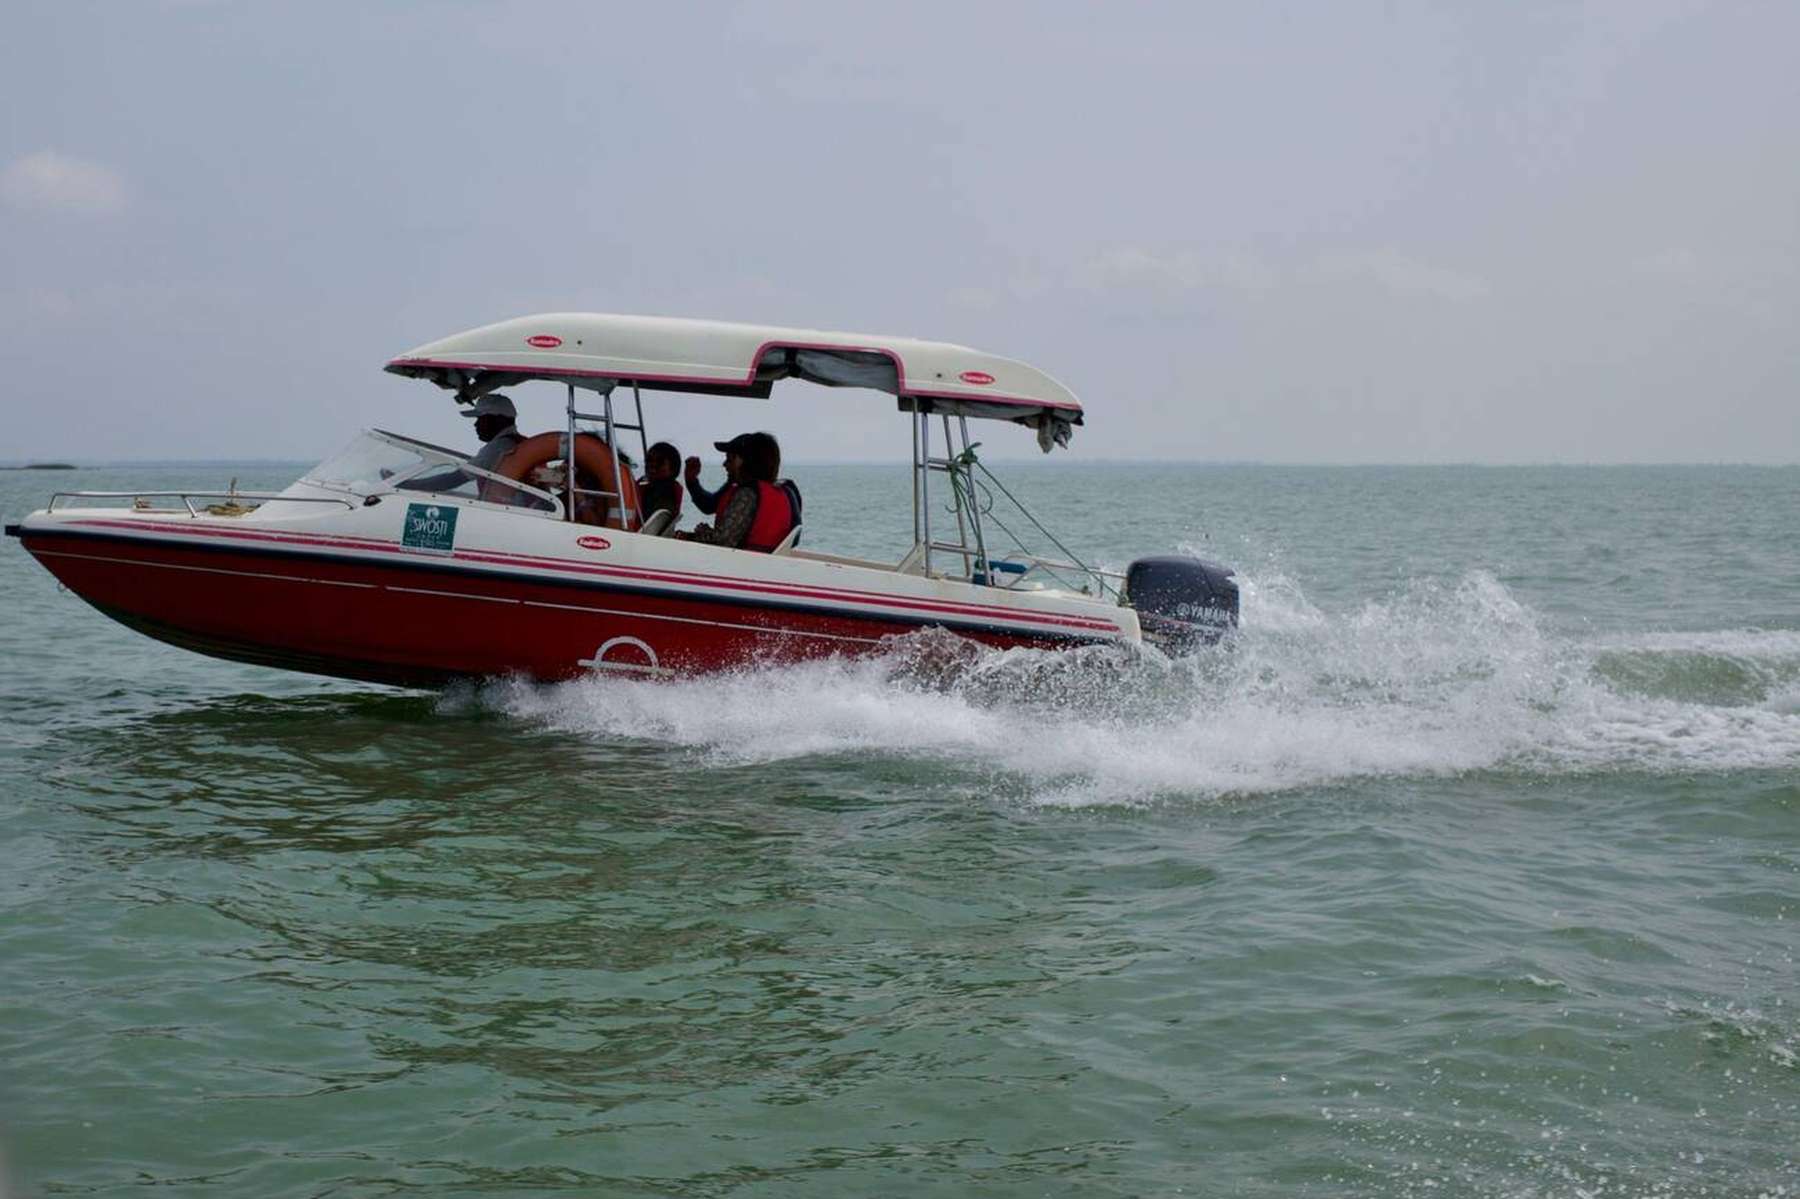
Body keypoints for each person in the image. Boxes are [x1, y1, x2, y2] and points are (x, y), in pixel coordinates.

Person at [677, 431, 797, 551]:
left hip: (741, 563)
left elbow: (722, 541)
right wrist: (692, 481)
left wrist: (700, 531)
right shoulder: (787, 493)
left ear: (744, 461)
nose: (724, 464)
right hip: (766, 561)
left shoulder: (747, 494)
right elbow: (709, 504)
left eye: (730, 459)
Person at [403, 394, 527, 497]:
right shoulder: (518, 442)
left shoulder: (499, 447)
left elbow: (453, 479)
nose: (476, 424)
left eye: (481, 418)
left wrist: (407, 485)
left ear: (499, 419)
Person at [637, 441, 684, 523]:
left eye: (660, 462)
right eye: (649, 460)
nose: (653, 465)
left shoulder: (668, 490)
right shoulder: (644, 484)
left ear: (672, 468)